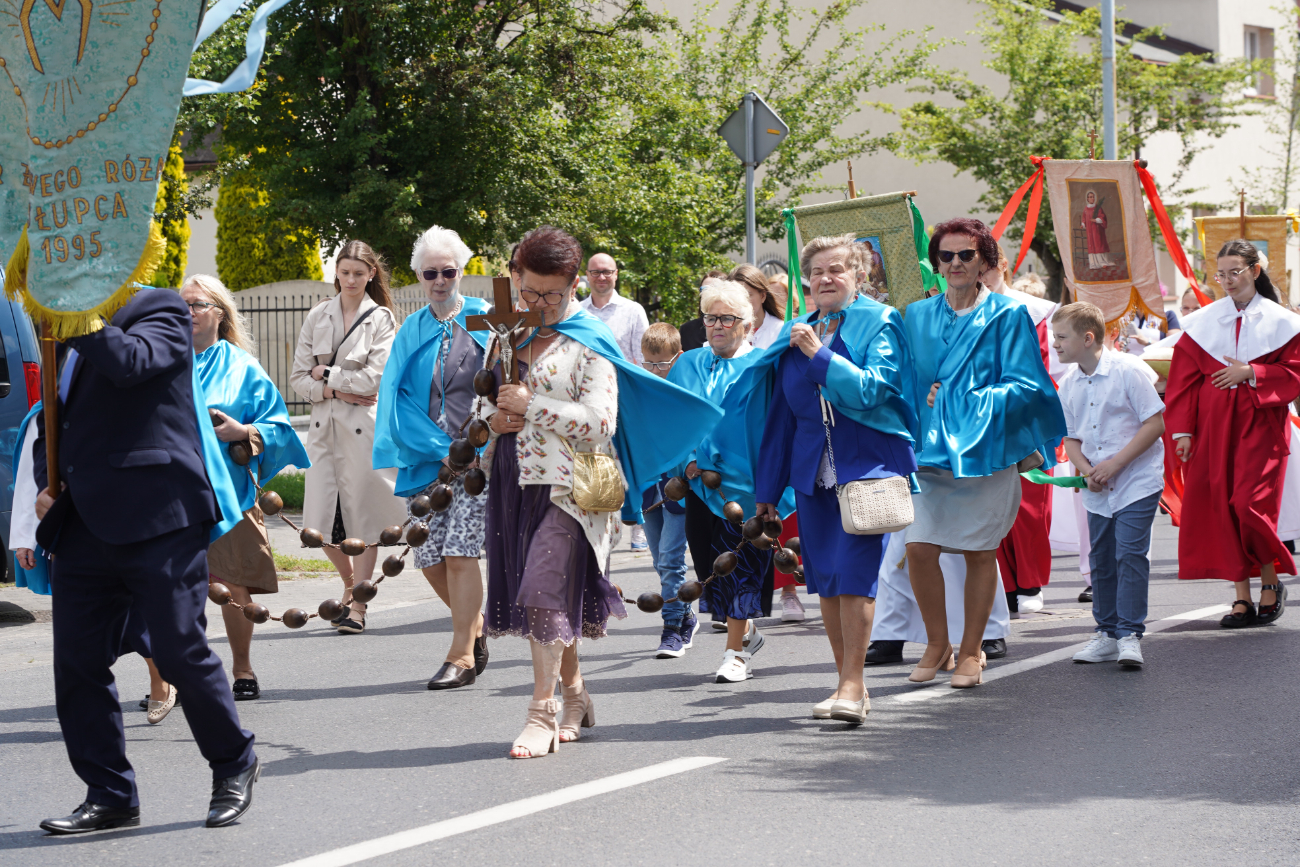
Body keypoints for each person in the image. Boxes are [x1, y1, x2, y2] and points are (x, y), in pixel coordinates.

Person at [483, 226, 719, 758]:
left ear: (574, 287)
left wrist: (530, 407)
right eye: (530, 292)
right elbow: (489, 405)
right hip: (515, 484)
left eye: (552, 294)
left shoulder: (590, 341)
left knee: (543, 586)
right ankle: (574, 692)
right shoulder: (506, 339)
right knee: (546, 593)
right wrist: (494, 421)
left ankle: (540, 711)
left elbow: (600, 423)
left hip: (578, 488)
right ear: (517, 280)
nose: (540, 304)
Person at [32, 287, 258, 833]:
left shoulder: (158, 308)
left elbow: (132, 363)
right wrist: (48, 481)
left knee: (179, 650)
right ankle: (109, 793)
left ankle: (234, 762)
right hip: (83, 518)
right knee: (78, 663)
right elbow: (54, 415)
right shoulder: (55, 328)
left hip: (161, 512)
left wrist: (72, 313)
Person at [751, 234, 918, 723]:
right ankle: (844, 681)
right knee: (824, 580)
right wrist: (767, 492)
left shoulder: (881, 321)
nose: (826, 279)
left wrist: (819, 355)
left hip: (865, 467)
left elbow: (874, 390)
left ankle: (853, 684)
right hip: (811, 474)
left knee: (854, 576)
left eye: (837, 270)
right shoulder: (800, 329)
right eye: (817, 271)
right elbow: (781, 418)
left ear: (860, 275)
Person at [903, 218, 1066, 688]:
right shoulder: (916, 316)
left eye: (966, 255)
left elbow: (1028, 388)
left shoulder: (1008, 315)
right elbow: (905, 384)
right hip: (930, 456)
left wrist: (963, 398)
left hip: (987, 450)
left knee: (978, 552)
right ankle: (938, 643)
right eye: (947, 256)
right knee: (918, 548)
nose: (955, 264)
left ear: (985, 263)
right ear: (936, 263)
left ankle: (972, 650)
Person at [374, 226, 493, 689]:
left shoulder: (485, 318)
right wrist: (440, 449)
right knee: (427, 555)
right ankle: (476, 628)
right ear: (419, 277)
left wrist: (471, 449)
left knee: (461, 553)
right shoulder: (412, 328)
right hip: (425, 457)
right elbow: (397, 396)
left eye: (448, 271)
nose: (440, 280)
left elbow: (502, 384)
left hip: (477, 462)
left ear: (461, 272)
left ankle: (460, 654)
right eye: (430, 273)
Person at [186, 274, 310, 700]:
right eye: (180, 305)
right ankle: (177, 675)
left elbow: (278, 426)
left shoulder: (242, 367)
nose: (187, 312)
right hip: (171, 492)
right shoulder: (162, 361)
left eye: (196, 304)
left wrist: (243, 432)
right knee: (172, 589)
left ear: (219, 314)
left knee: (232, 584)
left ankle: (242, 668)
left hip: (228, 491)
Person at [1165, 239, 1300, 627]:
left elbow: (1295, 373)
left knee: (1248, 505)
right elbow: (1183, 383)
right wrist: (1182, 433)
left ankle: (1271, 583)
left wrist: (1253, 373)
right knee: (1222, 507)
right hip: (1212, 427)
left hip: (1260, 426)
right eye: (1220, 274)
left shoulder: (1284, 322)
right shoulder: (1203, 323)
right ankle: (1241, 596)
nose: (1226, 281)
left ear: (1254, 271)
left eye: (1234, 273)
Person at [291, 241, 406, 635]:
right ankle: (347, 584)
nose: (352, 279)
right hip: (324, 430)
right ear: (336, 273)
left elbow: (375, 378)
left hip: (362, 431)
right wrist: (338, 388)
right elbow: (295, 379)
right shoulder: (317, 315)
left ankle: (358, 604)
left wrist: (325, 375)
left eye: (360, 272)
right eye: (345, 272)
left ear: (371, 274)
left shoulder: (382, 319)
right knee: (318, 526)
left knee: (363, 517)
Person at [669, 280, 776, 684]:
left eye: (726, 319)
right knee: (710, 569)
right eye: (710, 318)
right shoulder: (687, 363)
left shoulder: (763, 365)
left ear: (746, 325)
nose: (716, 326)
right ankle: (745, 630)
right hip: (698, 487)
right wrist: (688, 459)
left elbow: (772, 425)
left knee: (740, 566)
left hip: (746, 487)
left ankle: (735, 655)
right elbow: (678, 418)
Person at [1053, 302, 1166, 666]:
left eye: (1061, 337)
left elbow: (1154, 424)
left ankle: (1130, 634)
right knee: (1101, 559)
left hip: (1137, 479)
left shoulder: (1128, 370)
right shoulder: (1068, 383)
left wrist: (1115, 464)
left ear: (1088, 338)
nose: (1055, 344)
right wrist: (1087, 470)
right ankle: (1105, 632)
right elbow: (1071, 437)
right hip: (1097, 487)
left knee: (1129, 553)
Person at [984, 249, 1060, 617]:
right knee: (989, 505)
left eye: (986, 266)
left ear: (1002, 267)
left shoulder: (1033, 309)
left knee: (1029, 505)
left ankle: (1030, 582)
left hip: (1025, 418)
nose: (979, 274)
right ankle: (1005, 583)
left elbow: (1039, 365)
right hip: (980, 420)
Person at [638, 322, 699, 658]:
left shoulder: (686, 391)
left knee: (672, 558)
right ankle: (686, 614)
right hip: (648, 490)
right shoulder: (641, 392)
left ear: (679, 357)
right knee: (659, 560)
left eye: (661, 364)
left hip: (678, 490)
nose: (655, 370)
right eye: (648, 363)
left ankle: (673, 628)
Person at [579, 253, 649, 364]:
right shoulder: (576, 312)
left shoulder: (633, 311)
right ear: (587, 275)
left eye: (607, 272)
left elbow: (644, 359)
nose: (601, 277)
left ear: (616, 274)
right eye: (595, 272)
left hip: (620, 381)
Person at [730, 263, 784, 349]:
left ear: (762, 296)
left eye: (747, 295)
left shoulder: (781, 330)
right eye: (735, 296)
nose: (741, 301)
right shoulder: (724, 331)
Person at [679, 270, 728, 352]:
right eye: (705, 290)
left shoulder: (735, 325)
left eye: (715, 289)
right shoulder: (687, 330)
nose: (709, 294)